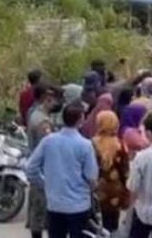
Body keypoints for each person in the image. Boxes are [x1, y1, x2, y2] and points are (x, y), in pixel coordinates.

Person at [26, 102, 99, 238]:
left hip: (55, 204)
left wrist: (45, 183)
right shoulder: (85, 145)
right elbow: (92, 177)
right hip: (79, 205)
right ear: (80, 119)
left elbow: (30, 168)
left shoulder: (48, 141)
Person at [26, 84, 58, 238]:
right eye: (52, 101)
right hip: (42, 168)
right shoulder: (42, 122)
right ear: (47, 100)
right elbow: (47, 146)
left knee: (37, 208)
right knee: (40, 209)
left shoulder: (34, 113)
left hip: (38, 165)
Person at [92, 111, 130, 234]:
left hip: (95, 189)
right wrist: (126, 190)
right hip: (115, 191)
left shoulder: (91, 143)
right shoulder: (120, 144)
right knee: (112, 224)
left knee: (94, 223)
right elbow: (125, 171)